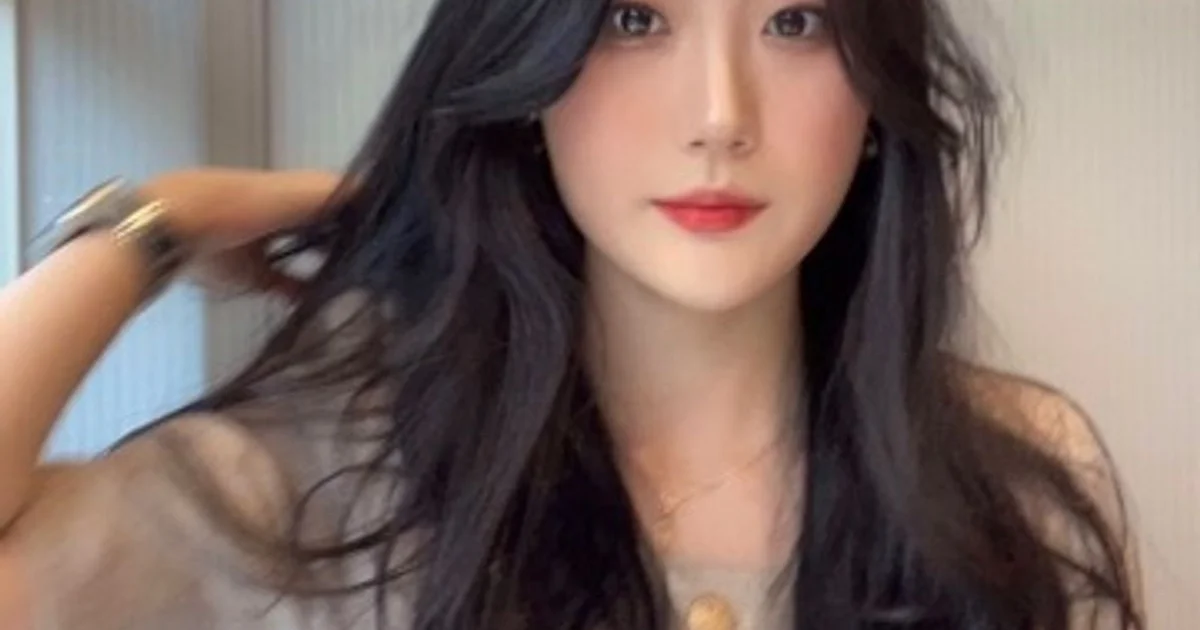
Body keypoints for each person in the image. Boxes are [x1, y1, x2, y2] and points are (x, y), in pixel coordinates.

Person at [0, 0, 1144, 628]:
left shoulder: (1013, 481)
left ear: (879, 89)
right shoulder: (316, 493)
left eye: (795, 21)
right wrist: (152, 224)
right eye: (635, 19)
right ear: (527, 60)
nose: (720, 115)